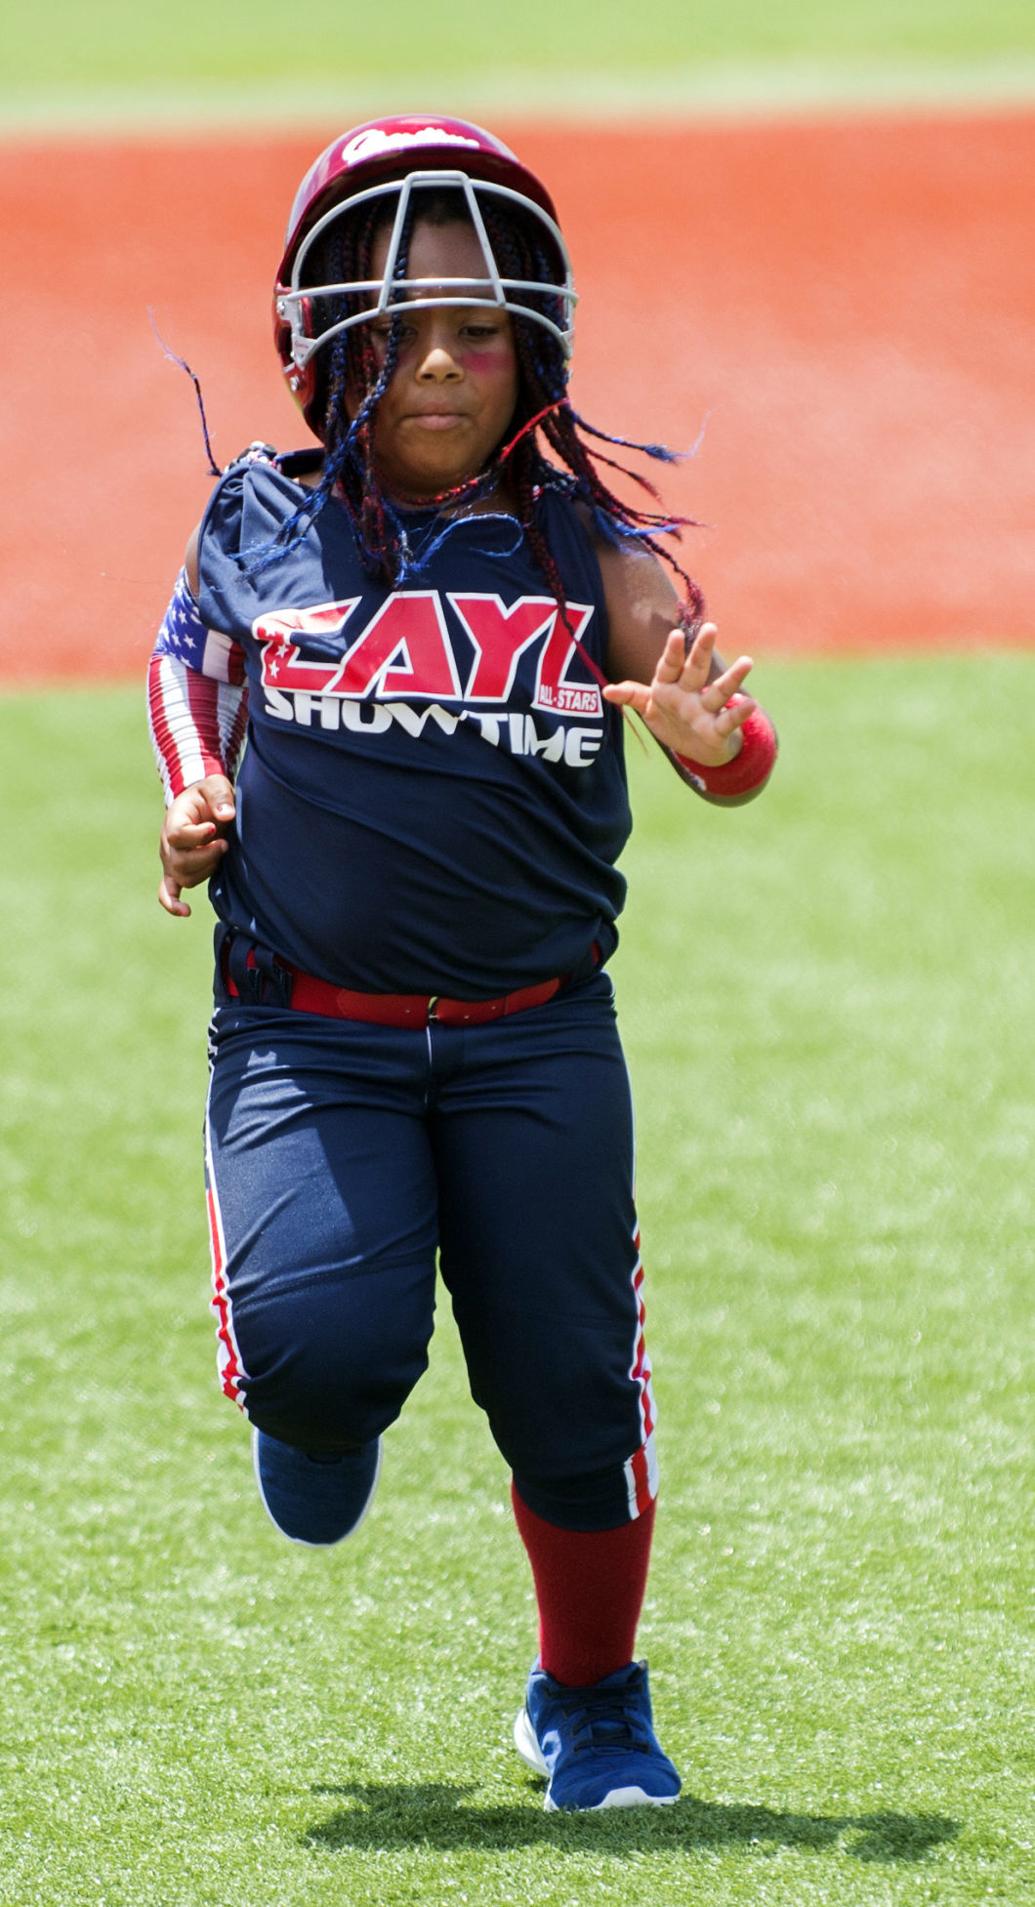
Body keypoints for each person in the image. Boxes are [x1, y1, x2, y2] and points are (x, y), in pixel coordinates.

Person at [148, 115, 777, 1814]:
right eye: (397, 326)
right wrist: (191, 792)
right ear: (319, 340)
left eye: (478, 327)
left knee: (575, 1392)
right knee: (324, 1351)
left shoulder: (585, 550)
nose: (438, 363)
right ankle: (317, 1391)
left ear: (540, 338)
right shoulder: (258, 522)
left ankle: (589, 1700)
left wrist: (722, 742)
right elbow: (184, 665)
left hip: (536, 1041)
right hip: (311, 1038)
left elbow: (728, 737)